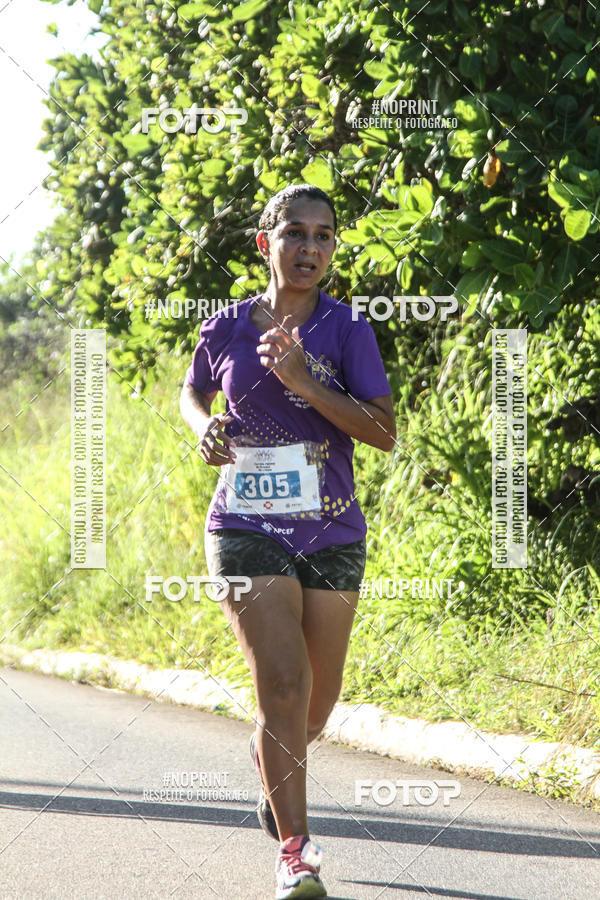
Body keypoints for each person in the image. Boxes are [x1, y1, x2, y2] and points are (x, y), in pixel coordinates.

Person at [180, 184, 396, 899]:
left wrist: (303, 380)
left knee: (313, 710)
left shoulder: (348, 329)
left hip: (332, 529)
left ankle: (266, 754)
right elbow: (193, 391)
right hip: (245, 524)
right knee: (283, 683)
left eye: (323, 235)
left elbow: (383, 432)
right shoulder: (225, 326)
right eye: (294, 233)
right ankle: (296, 854)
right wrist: (203, 428)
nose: (310, 248)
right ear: (264, 243)